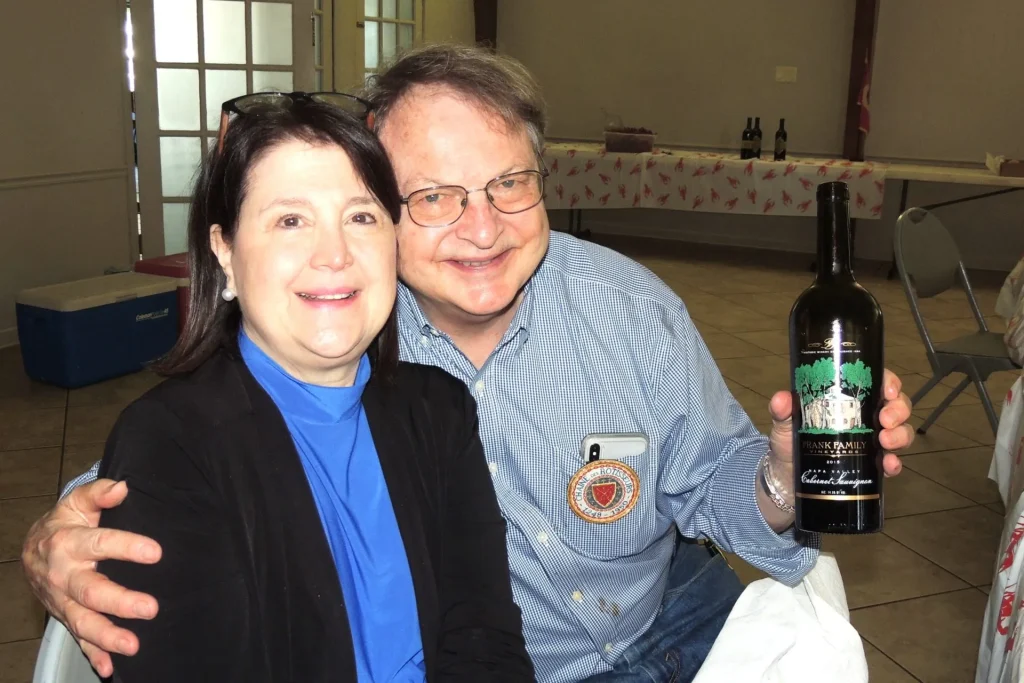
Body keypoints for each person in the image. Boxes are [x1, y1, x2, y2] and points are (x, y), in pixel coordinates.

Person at [23, 45, 914, 683]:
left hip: (679, 617)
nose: (482, 227)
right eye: (435, 196)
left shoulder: (631, 311)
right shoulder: (348, 329)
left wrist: (782, 473)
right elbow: (200, 454)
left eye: (507, 183)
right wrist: (55, 535)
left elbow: (715, 476)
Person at [50, 93, 533, 682]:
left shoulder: (440, 411)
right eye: (290, 220)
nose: (334, 255)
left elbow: (484, 641)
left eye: (360, 217)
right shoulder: (171, 445)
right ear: (225, 252)